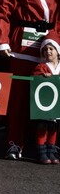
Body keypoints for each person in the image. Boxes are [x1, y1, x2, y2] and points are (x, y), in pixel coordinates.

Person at [0, 0, 60, 160]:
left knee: (46, 98)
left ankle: (43, 144)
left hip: (48, 48)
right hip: (22, 48)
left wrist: (55, 42)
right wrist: (2, 41)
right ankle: (14, 142)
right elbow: (2, 13)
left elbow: (58, 19)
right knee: (19, 100)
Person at [32, 34, 60, 164]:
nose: (48, 51)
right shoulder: (42, 66)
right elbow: (35, 76)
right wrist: (43, 76)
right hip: (44, 103)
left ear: (58, 51)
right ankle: (41, 152)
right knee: (42, 128)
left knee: (54, 128)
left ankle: (51, 151)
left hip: (57, 104)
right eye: (45, 49)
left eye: (51, 49)